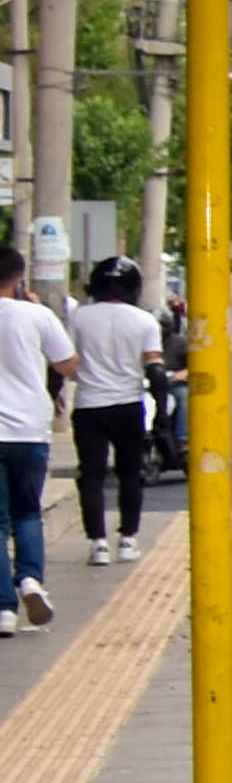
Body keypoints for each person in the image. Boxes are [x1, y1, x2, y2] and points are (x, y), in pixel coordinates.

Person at [66, 256, 157, 571]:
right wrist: (162, 422)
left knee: (91, 475)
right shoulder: (145, 321)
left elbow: (67, 360)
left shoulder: (79, 317)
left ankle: (98, 544)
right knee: (130, 474)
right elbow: (155, 369)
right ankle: (128, 539)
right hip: (129, 405)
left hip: (89, 405)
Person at [0, 247, 71, 635]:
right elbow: (68, 364)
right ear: (18, 277)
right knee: (27, 512)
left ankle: (3, 611)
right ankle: (29, 580)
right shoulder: (37, 315)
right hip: (28, 429)